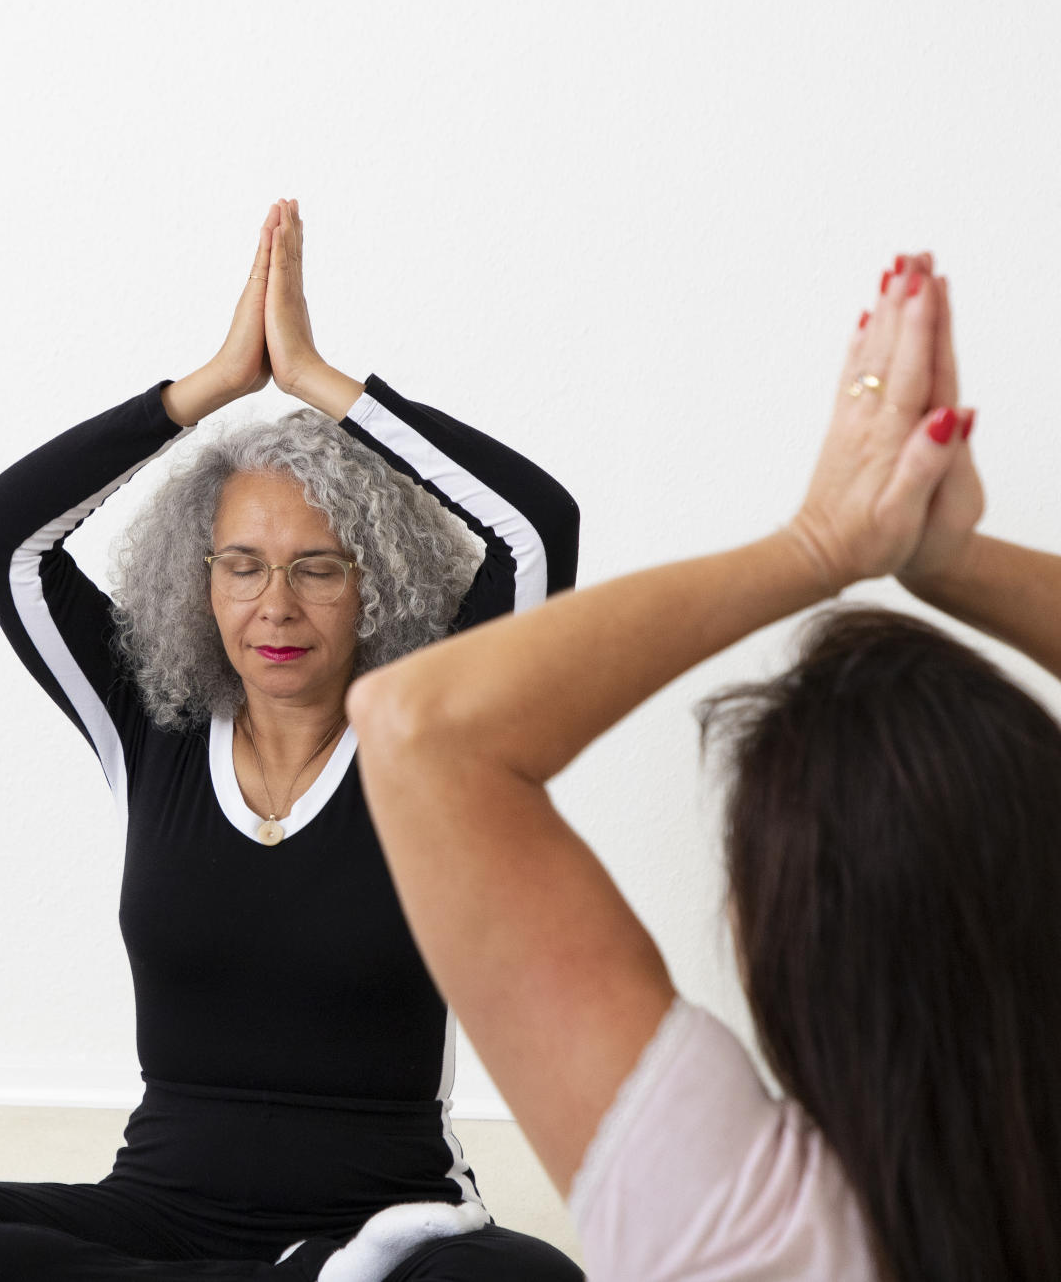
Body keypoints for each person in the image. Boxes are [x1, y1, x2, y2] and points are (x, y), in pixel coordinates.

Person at [0, 200, 582, 1281]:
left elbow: (535, 529)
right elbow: (3, 535)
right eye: (241, 565)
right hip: (158, 1214)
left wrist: (317, 381)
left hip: (385, 1226)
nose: (274, 605)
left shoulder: (437, 735)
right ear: (199, 580)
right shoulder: (147, 726)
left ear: (378, 585)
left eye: (317, 566)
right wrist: (206, 389)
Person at [344, 254, 1061, 1280]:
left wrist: (822, 543)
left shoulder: (732, 1213)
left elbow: (420, 728)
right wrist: (955, 562)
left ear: (766, 932)